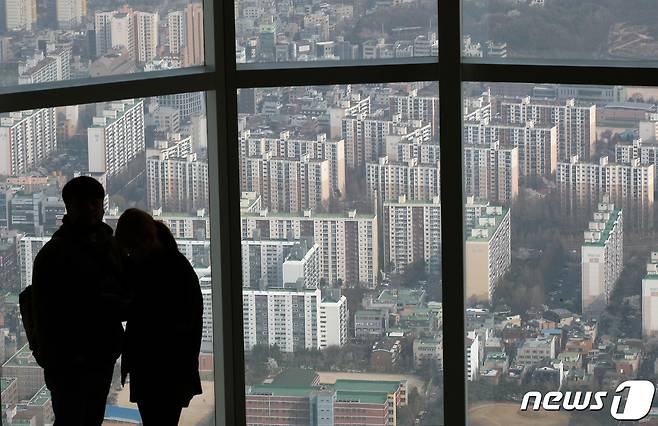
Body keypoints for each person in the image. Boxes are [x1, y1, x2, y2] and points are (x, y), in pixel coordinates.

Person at [31, 176, 125, 425]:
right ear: (69, 208)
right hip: (68, 361)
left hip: (100, 355)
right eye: (85, 204)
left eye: (97, 202)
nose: (93, 209)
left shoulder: (109, 245)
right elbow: (46, 313)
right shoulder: (54, 255)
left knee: (90, 418)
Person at [115, 208, 203, 425]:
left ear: (145, 241)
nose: (130, 254)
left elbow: (141, 313)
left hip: (162, 370)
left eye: (131, 249)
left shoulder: (164, 270)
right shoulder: (166, 264)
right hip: (166, 370)